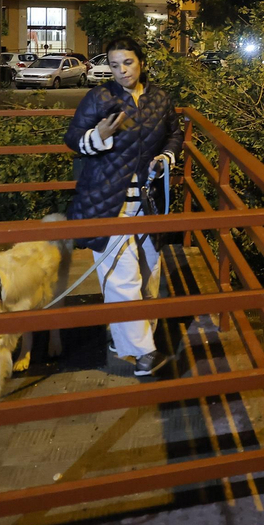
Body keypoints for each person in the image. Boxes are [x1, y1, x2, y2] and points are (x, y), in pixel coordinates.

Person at [64, 36, 185, 376]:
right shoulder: (99, 97)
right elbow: (73, 139)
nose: (121, 71)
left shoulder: (160, 98)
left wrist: (165, 156)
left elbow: (174, 134)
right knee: (121, 280)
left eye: (127, 63)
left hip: (148, 202)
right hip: (106, 202)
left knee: (148, 276)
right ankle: (144, 353)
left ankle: (126, 337)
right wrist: (98, 136)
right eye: (114, 65)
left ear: (141, 62)